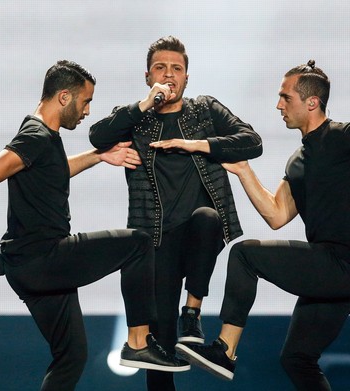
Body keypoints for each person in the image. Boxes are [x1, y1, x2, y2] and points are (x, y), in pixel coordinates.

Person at [0, 60, 190, 391]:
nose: (86, 112)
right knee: (138, 244)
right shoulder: (36, 135)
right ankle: (139, 341)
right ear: (65, 97)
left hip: (28, 268)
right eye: (86, 102)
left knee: (72, 356)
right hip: (43, 257)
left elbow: (53, 170)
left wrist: (98, 155)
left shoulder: (43, 137)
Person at [175, 60, 350, 390]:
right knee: (296, 359)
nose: (278, 105)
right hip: (338, 272)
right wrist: (245, 172)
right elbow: (276, 215)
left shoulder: (343, 135)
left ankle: (225, 350)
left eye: (285, 98)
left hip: (345, 265)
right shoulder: (298, 161)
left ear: (311, 102)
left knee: (245, 255)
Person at [89, 36, 263, 390]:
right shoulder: (136, 119)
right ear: (148, 75)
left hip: (199, 233)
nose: (169, 75)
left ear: (187, 77)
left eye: (176, 69)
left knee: (207, 218)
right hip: (156, 241)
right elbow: (97, 135)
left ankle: (193, 312)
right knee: (161, 352)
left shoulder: (205, 111)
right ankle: (174, 332)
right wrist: (144, 105)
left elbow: (252, 141)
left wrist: (197, 144)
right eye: (160, 68)